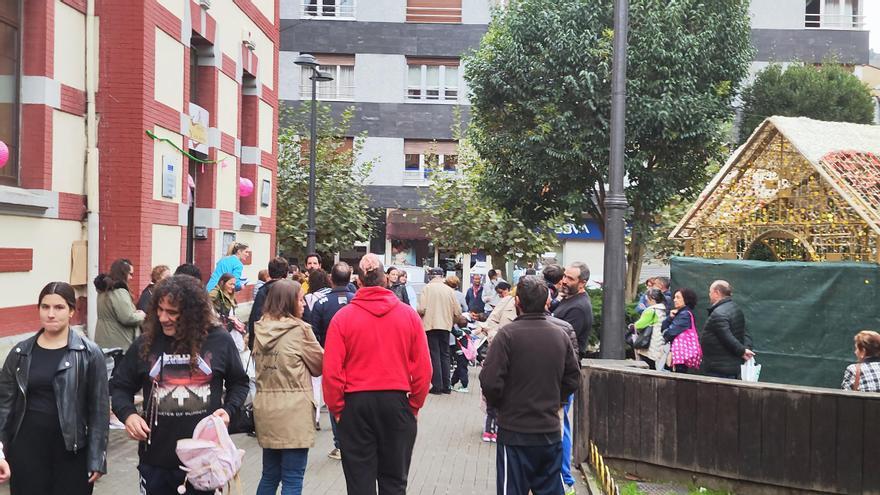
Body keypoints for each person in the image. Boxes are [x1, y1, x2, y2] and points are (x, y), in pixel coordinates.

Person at [110, 275, 249, 495]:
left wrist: (229, 410)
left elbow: (240, 383)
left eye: (172, 313)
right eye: (160, 309)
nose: (163, 317)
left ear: (192, 314)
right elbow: (119, 387)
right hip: (156, 461)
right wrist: (129, 415)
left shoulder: (219, 340)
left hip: (206, 464)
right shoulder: (146, 343)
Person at [322, 254, 432, 495]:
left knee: (359, 483)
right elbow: (424, 369)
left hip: (356, 404)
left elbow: (331, 372)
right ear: (385, 281)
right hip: (396, 402)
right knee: (394, 481)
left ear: (358, 283)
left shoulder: (342, 319)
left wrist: (337, 409)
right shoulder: (409, 316)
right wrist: (414, 406)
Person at [0, 282, 108, 494]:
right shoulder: (20, 353)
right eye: (45, 307)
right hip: (26, 450)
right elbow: (4, 406)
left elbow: (99, 410)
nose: (51, 314)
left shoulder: (89, 353)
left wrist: (97, 456)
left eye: (58, 307)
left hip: (72, 453)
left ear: (71, 311)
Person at [479, 276, 580, 495]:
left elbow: (489, 381)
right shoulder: (560, 336)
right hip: (549, 430)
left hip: (515, 430)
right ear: (547, 302)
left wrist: (500, 406)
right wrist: (556, 400)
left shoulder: (507, 336)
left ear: (517, 303)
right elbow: (572, 378)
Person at [253, 279, 324, 495]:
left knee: (270, 475)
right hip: (295, 413)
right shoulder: (300, 330)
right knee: (293, 478)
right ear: (288, 303)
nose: (303, 304)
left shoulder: (261, 329)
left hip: (267, 410)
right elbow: (319, 365)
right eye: (300, 300)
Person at [309, 262, 355, 460]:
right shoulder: (356, 301)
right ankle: (354, 441)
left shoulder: (321, 304)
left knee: (335, 399)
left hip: (331, 357)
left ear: (332, 279)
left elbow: (314, 333)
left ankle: (340, 445)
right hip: (355, 359)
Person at [418, 267, 463, 395]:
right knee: (445, 354)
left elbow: (421, 309)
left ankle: (437, 386)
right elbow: (458, 312)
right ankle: (447, 386)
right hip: (445, 326)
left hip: (430, 325)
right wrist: (451, 321)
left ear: (430, 276)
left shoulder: (427, 288)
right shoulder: (449, 290)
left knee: (434, 355)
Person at [700, 280, 754, 379]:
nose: (709, 294)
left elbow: (727, 337)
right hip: (729, 367)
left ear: (717, 293)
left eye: (710, 292)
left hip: (719, 370)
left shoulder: (718, 314)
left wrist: (743, 351)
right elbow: (745, 333)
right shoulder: (736, 308)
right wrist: (746, 348)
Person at [95, 258, 146, 349]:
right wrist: (142, 315)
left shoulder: (104, 290)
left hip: (105, 340)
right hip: (119, 344)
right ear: (123, 273)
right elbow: (127, 318)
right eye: (130, 274)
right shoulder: (119, 291)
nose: (131, 278)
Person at [552, 262, 593, 358]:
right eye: (564, 276)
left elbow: (563, 341)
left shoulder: (578, 308)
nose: (564, 281)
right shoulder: (566, 297)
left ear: (582, 283)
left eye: (570, 279)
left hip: (564, 363)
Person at [248, 256, 290, 350]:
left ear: (269, 273)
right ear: (286, 273)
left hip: (265, 341)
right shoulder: (291, 291)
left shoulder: (263, 291)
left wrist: (252, 342)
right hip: (287, 342)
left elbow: (255, 317)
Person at [661, 287, 699, 373]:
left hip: (679, 355)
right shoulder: (679, 313)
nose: (674, 300)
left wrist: (665, 333)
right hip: (679, 354)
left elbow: (669, 333)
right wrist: (670, 318)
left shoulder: (684, 315)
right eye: (674, 297)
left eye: (678, 297)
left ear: (686, 299)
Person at [631, 288, 668, 369]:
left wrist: (632, 326)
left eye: (647, 297)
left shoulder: (651, 310)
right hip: (659, 343)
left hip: (650, 344)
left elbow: (639, 325)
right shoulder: (663, 309)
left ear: (652, 298)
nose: (646, 300)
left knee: (649, 366)